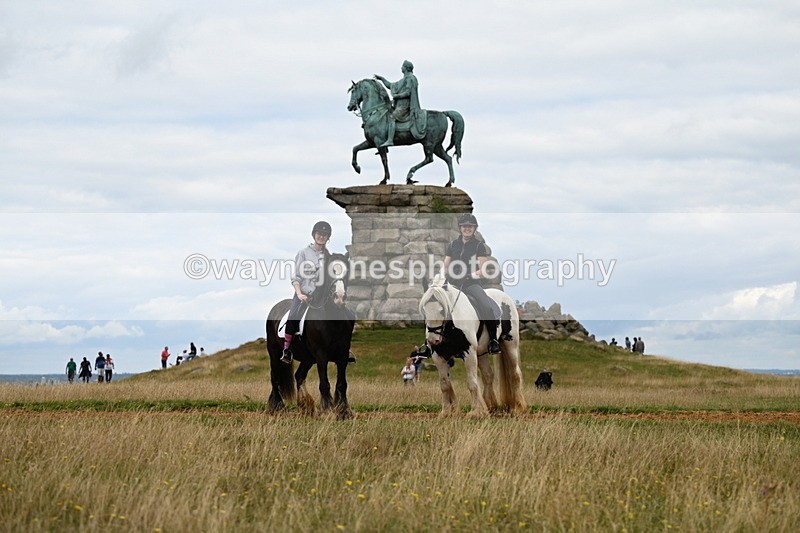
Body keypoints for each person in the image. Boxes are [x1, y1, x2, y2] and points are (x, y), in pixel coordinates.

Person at [443, 213, 504, 354]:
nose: (467, 229)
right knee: (436, 304)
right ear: (460, 228)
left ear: (474, 228)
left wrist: (469, 276)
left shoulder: (479, 246)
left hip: (471, 284)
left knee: (486, 307)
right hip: (453, 284)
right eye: (464, 226)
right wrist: (441, 277)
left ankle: (493, 341)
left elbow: (483, 270)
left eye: (470, 226)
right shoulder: (452, 245)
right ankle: (432, 343)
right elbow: (445, 265)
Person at [280, 221, 333, 364]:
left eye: (325, 235)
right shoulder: (303, 253)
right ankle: (287, 350)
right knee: (293, 316)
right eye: (319, 233)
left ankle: (343, 349)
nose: (321, 236)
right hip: (304, 294)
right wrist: (299, 294)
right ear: (314, 234)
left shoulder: (328, 257)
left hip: (321, 297)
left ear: (328, 238)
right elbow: (296, 277)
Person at [374, 60, 426, 147]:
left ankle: (390, 140)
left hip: (405, 106)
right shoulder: (403, 80)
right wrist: (382, 79)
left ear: (406, 68)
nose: (401, 67)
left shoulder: (410, 78)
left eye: (402, 66)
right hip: (399, 106)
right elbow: (390, 85)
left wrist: (397, 96)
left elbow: (408, 92)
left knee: (392, 117)